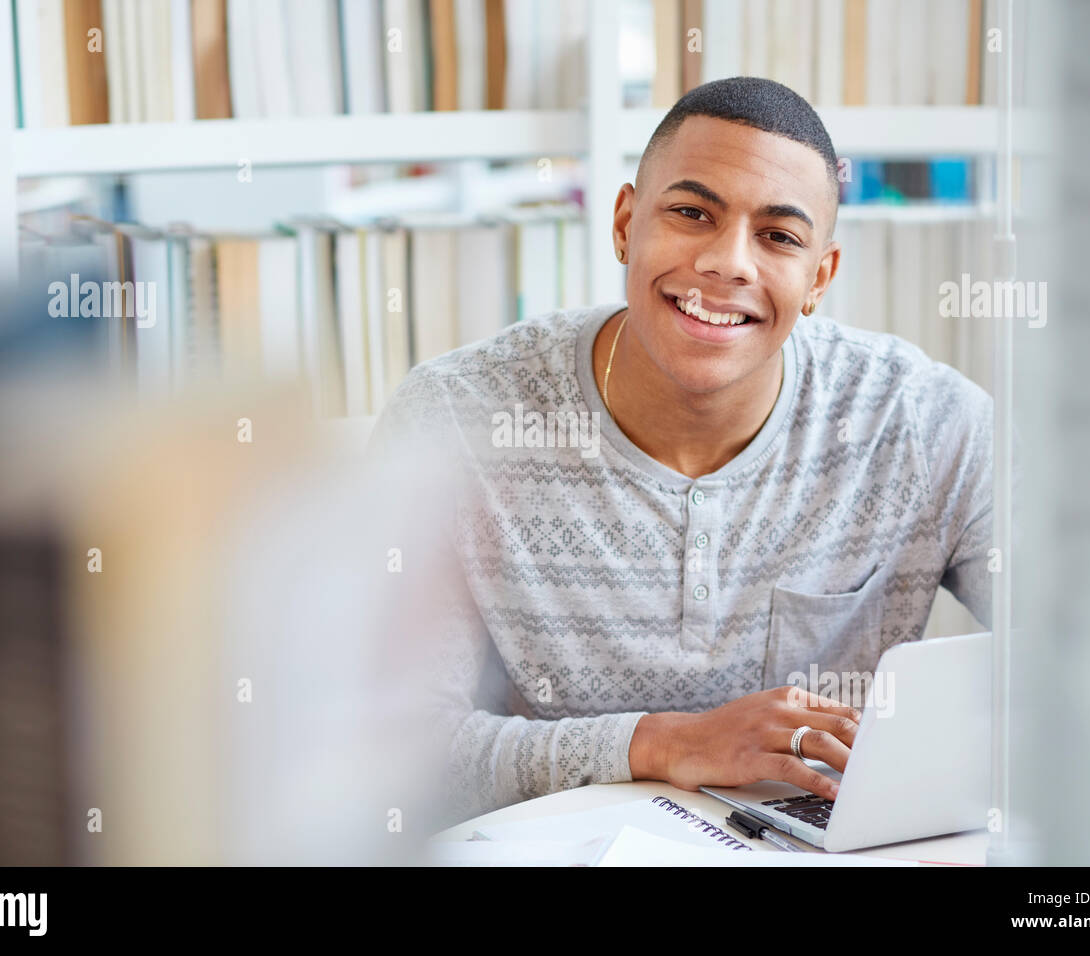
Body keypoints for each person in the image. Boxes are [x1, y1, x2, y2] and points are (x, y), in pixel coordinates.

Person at [369, 76, 993, 826]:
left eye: (779, 237)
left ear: (820, 276)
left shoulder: (928, 422)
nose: (729, 263)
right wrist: (659, 744)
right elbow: (389, 755)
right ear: (626, 223)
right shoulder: (452, 419)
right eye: (693, 213)